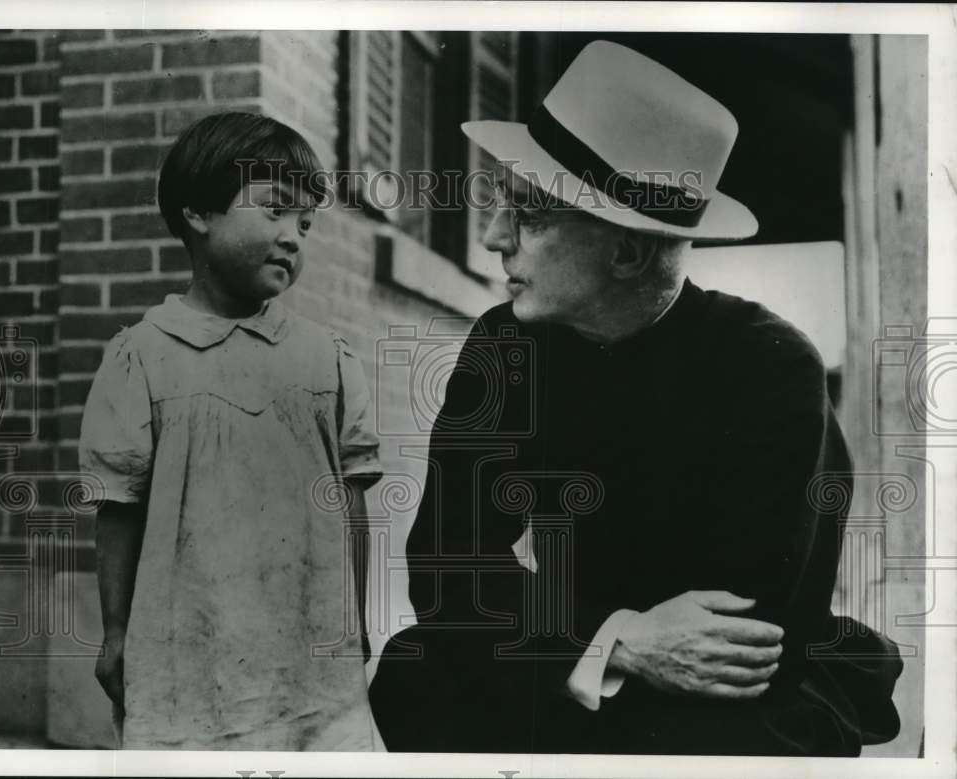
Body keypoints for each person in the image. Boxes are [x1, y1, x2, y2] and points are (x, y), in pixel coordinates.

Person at [369, 41, 902, 755]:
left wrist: (608, 645)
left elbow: (740, 639)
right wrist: (616, 641)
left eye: (530, 215)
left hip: (723, 698)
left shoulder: (770, 366)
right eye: (500, 205)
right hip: (575, 660)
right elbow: (446, 566)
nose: (495, 237)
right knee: (413, 672)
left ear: (626, 252)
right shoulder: (506, 345)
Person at [81, 112, 383, 750]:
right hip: (185, 656)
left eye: (305, 222)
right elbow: (119, 506)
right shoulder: (141, 358)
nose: (293, 236)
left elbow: (351, 502)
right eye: (274, 209)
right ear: (198, 212)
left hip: (311, 661)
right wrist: (115, 631)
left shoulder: (327, 360)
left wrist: (354, 622)